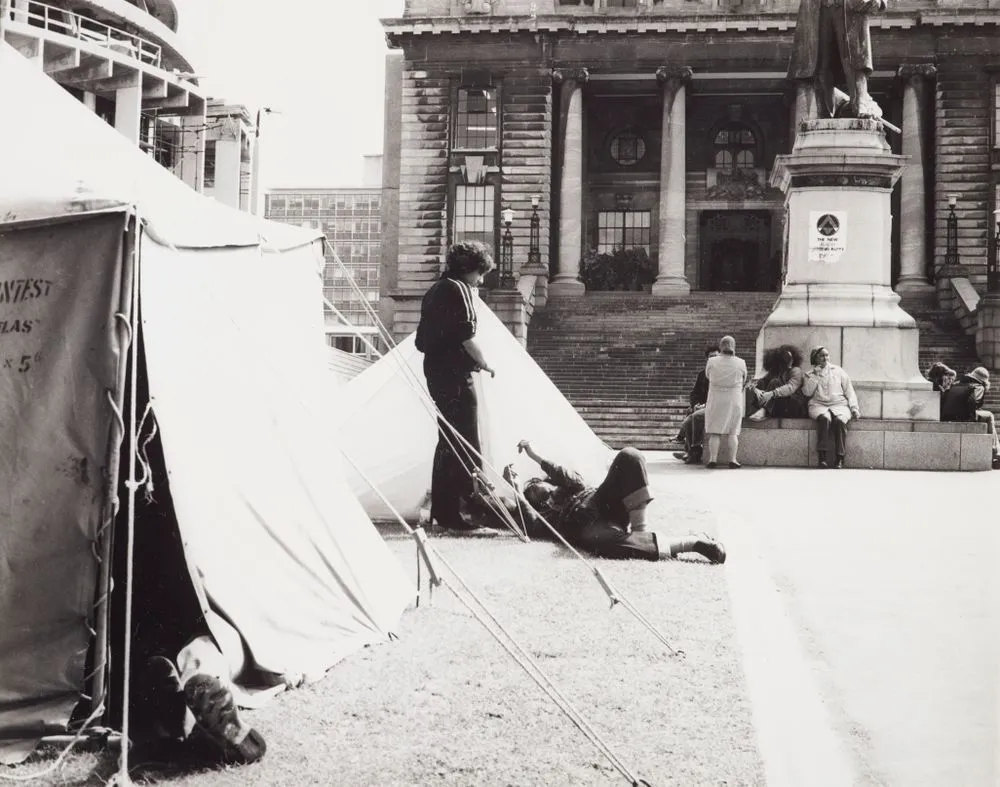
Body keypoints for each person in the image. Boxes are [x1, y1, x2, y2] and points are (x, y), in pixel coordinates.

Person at [494, 440, 725, 564]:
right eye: (532, 493)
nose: (536, 491)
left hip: (601, 501)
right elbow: (528, 521)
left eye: (536, 485)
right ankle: (694, 543)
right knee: (606, 544)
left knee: (629, 456)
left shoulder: (570, 487)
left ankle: (640, 531)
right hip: (586, 528)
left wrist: (535, 456)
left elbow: (568, 476)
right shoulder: (545, 518)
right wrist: (518, 493)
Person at [415, 241, 499, 535]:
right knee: (465, 439)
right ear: (468, 270)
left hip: (436, 371)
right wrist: (485, 363)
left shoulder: (435, 290)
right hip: (455, 373)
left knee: (448, 439)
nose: (480, 280)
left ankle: (444, 510)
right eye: (479, 273)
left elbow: (421, 340)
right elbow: (466, 336)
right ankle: (460, 514)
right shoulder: (459, 289)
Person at [787, 0, 888, 119]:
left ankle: (861, 103)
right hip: (818, 6)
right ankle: (824, 111)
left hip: (850, 6)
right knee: (820, 61)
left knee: (854, 58)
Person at [800, 346, 860, 469]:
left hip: (839, 405)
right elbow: (807, 393)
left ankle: (840, 458)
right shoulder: (809, 374)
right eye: (822, 356)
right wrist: (816, 376)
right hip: (818, 405)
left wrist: (854, 408)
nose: (825, 358)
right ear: (815, 358)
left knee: (839, 421)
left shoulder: (838, 371)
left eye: (827, 355)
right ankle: (822, 458)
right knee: (824, 419)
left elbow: (849, 391)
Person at [940, 366, 1000, 468]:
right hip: (964, 416)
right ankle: (996, 452)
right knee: (989, 415)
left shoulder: (956, 383)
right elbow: (974, 403)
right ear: (984, 380)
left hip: (947, 416)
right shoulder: (978, 386)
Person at [704, 335, 747, 469]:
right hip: (734, 398)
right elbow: (744, 379)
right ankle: (733, 459)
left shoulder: (712, 361)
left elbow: (707, 375)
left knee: (715, 431)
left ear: (721, 346)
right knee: (733, 432)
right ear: (733, 346)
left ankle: (713, 459)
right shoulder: (741, 362)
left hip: (716, 398)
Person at [672, 343, 719, 465]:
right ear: (707, 359)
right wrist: (696, 404)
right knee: (690, 414)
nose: (713, 359)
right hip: (702, 407)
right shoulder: (702, 374)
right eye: (711, 357)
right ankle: (690, 451)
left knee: (691, 419)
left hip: (715, 408)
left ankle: (692, 450)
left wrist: (705, 405)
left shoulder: (722, 374)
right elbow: (694, 393)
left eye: (716, 356)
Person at [746, 344, 807, 421]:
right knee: (766, 383)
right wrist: (757, 391)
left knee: (775, 382)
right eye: (786, 359)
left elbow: (790, 387)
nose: (790, 361)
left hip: (796, 406)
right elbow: (755, 382)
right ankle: (756, 411)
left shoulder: (796, 370)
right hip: (781, 405)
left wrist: (772, 393)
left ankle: (763, 411)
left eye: (790, 359)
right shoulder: (776, 372)